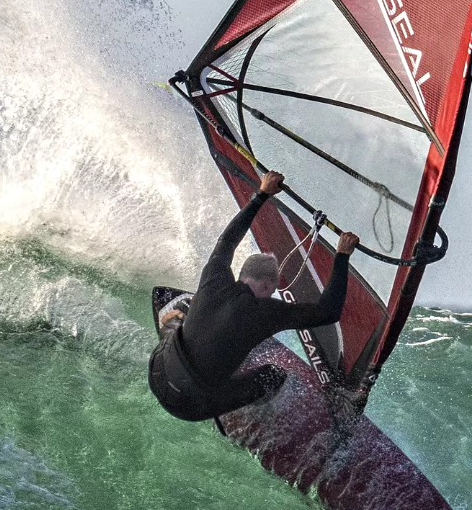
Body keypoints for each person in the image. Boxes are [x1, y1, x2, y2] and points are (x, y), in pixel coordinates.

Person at [149, 171, 358, 422]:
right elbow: (329, 312)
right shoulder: (266, 312)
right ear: (269, 284)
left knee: (182, 313)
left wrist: (262, 194)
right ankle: (238, 410)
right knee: (273, 375)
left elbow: (228, 240)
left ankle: (171, 322)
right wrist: (342, 256)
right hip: (189, 405)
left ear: (242, 273)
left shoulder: (215, 277)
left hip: (157, 372)